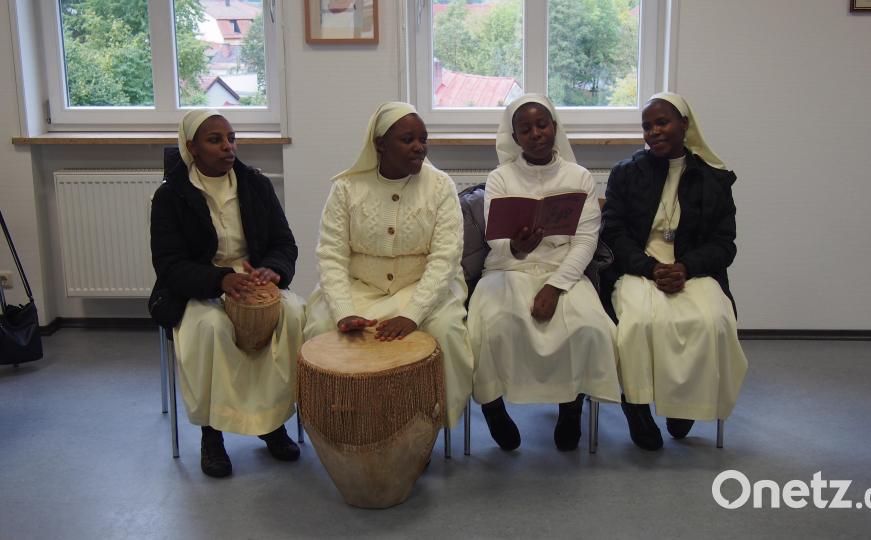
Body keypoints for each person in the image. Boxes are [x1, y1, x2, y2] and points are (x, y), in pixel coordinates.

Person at [149, 109, 306, 477]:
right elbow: (169, 265)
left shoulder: (255, 185)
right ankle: (212, 433)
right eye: (215, 140)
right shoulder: (170, 196)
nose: (227, 147)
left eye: (231, 138)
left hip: (255, 283)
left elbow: (285, 243)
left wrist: (273, 270)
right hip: (199, 288)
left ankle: (272, 422)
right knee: (213, 329)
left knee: (295, 314)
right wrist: (219, 280)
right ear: (192, 148)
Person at [304, 102, 474, 430]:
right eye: (407, 139)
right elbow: (331, 255)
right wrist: (342, 311)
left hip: (423, 287)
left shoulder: (441, 186)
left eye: (423, 139)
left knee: (446, 332)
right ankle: (346, 427)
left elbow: (445, 259)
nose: (419, 147)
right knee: (320, 329)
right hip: (360, 287)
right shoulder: (346, 187)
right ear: (380, 144)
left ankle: (425, 429)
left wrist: (413, 313)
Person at [466, 95, 621, 452]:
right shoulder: (500, 178)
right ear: (515, 136)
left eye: (542, 125)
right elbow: (496, 238)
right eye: (526, 128)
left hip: (562, 269)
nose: (536, 133)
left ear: (554, 128)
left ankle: (571, 407)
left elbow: (585, 241)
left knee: (590, 327)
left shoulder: (578, 176)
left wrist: (554, 288)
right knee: (491, 327)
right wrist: (518, 247)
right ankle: (493, 407)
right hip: (509, 267)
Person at [599, 92, 748, 451]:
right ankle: (636, 406)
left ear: (685, 124)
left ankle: (685, 401)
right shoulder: (625, 173)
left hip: (693, 269)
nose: (654, 131)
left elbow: (724, 243)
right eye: (647, 126)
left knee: (713, 321)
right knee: (637, 323)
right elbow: (613, 234)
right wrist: (651, 268)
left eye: (662, 122)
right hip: (637, 267)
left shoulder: (714, 179)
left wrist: (687, 267)